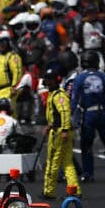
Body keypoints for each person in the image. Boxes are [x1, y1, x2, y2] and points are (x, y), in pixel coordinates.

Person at [71, 49, 105, 182]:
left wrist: (71, 116)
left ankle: (88, 174)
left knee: (87, 145)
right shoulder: (104, 77)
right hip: (103, 112)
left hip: (88, 114)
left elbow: (74, 100)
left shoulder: (79, 78)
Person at [42, 63, 80, 199]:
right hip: (59, 129)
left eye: (50, 79)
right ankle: (74, 190)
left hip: (59, 133)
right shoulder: (53, 94)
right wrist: (50, 125)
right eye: (47, 79)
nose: (47, 82)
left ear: (56, 80)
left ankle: (49, 191)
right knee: (67, 162)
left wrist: (64, 129)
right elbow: (56, 114)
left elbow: (64, 112)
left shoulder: (58, 95)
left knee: (52, 162)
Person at [0, 29, 23, 116]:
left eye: (3, 42)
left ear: (8, 42)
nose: (1, 45)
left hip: (9, 90)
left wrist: (14, 87)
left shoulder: (13, 56)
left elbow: (17, 72)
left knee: (10, 114)